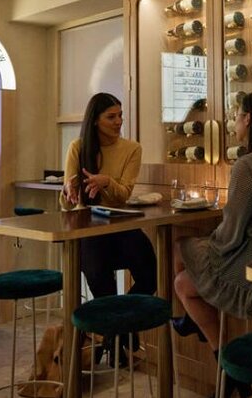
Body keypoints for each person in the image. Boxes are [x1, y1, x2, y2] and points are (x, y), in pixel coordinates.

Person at [172, 90, 252, 398]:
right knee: (188, 269)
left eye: (236, 116)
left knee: (181, 251)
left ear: (249, 119)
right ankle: (200, 328)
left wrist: (211, 247)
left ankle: (219, 354)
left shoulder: (246, 166)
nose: (233, 122)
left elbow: (232, 230)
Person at [62, 92, 157, 358]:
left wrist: (106, 182)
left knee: (152, 274)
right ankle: (120, 333)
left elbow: (124, 193)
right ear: (95, 120)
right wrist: (68, 192)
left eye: (120, 115)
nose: (119, 122)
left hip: (121, 225)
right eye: (111, 117)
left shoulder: (132, 149)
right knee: (99, 280)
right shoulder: (78, 148)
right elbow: (69, 204)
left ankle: (118, 330)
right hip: (89, 230)